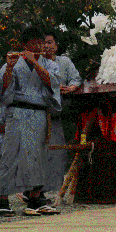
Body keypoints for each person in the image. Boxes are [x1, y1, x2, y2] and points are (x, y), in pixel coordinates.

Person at [0, 27, 61, 217]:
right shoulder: (14, 63)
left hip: (39, 112)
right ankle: (3, 200)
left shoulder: (49, 64)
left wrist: (35, 63)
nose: (40, 46)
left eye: (42, 43)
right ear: (25, 45)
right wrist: (8, 67)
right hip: (17, 111)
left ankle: (35, 198)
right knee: (11, 155)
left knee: (37, 156)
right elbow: (1, 88)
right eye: (34, 43)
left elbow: (53, 83)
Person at [40, 29, 82, 198]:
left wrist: (71, 87)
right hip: (39, 111)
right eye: (43, 43)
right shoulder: (37, 62)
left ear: (56, 46)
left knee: (57, 150)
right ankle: (36, 189)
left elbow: (76, 79)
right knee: (39, 151)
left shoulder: (64, 62)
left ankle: (56, 187)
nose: (46, 46)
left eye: (50, 42)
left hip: (58, 113)